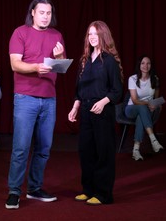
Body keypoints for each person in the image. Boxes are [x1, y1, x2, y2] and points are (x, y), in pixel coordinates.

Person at [5, 0, 65, 210]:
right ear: (32, 12)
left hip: (49, 99)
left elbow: (60, 68)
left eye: (49, 13)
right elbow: (15, 64)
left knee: (44, 148)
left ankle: (34, 188)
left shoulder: (57, 35)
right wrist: (35, 67)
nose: (45, 16)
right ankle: (14, 191)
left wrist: (59, 58)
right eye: (41, 12)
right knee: (21, 147)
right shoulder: (20, 32)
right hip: (25, 98)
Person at [68, 20, 123, 205]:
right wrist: (75, 107)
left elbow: (117, 90)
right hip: (85, 110)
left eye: (96, 34)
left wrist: (103, 102)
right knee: (86, 151)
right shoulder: (84, 61)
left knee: (103, 153)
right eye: (89, 34)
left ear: (103, 36)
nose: (92, 37)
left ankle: (103, 194)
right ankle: (88, 190)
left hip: (103, 111)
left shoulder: (109, 61)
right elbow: (78, 89)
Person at [124, 55, 164, 161]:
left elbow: (156, 98)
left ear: (151, 65)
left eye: (148, 63)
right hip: (131, 109)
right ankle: (153, 140)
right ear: (139, 65)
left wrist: (155, 104)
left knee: (141, 116)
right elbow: (135, 100)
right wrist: (148, 104)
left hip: (146, 109)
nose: (145, 66)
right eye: (143, 63)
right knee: (142, 108)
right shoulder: (132, 79)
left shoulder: (155, 79)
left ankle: (136, 150)